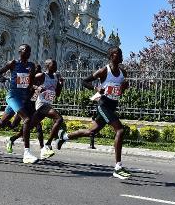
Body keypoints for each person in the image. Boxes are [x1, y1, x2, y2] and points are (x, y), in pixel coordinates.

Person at [54, 47, 131, 179]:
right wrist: (96, 88)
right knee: (120, 130)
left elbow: (119, 92)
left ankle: (64, 137)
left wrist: (123, 88)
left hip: (112, 106)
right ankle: (118, 167)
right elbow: (84, 81)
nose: (121, 56)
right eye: (118, 54)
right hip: (103, 104)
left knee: (91, 132)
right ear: (111, 56)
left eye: (121, 53)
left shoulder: (123, 72)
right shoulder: (104, 71)